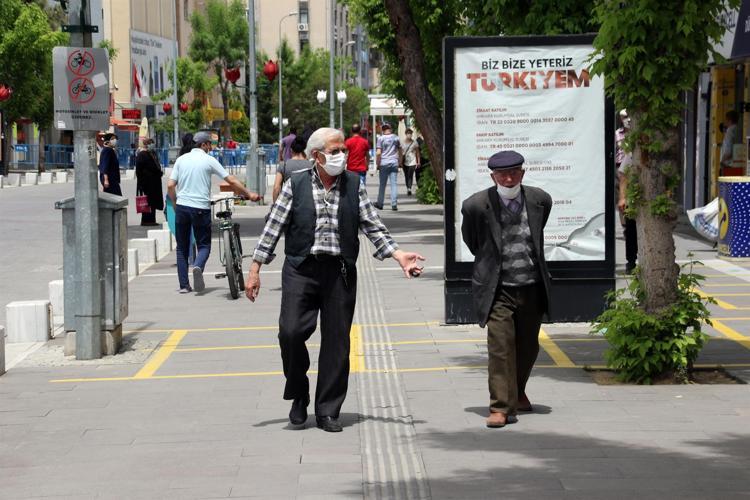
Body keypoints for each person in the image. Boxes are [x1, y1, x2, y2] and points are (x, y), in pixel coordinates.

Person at [245, 127, 425, 433]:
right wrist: (255, 269)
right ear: (316, 156)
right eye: (334, 151)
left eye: (343, 150)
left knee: (338, 344)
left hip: (339, 272)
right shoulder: (296, 183)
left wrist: (397, 255)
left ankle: (328, 409)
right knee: (289, 333)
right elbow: (273, 226)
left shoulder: (353, 184)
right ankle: (298, 393)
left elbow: (372, 223)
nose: (341, 156)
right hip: (301, 269)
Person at [460, 150, 552, 429]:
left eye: (514, 172)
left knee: (528, 347)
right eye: (502, 174)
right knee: (500, 347)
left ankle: (518, 391)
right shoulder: (476, 205)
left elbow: (537, 233)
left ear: (523, 173)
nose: (509, 178)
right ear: (493, 176)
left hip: (532, 285)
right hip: (498, 289)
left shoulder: (539, 200)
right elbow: (473, 241)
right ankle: (500, 407)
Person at [167, 131, 262, 294]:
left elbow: (170, 185)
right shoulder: (209, 160)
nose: (210, 147)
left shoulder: (181, 160)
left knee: (182, 247)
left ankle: (184, 285)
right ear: (203, 145)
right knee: (204, 245)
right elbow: (230, 180)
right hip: (200, 208)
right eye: (209, 144)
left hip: (182, 207)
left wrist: (176, 205)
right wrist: (249, 194)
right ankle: (198, 265)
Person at [616, 110, 637, 274]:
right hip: (633, 196)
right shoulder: (633, 153)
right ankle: (631, 261)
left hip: (649, 198)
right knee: (630, 230)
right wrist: (623, 197)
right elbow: (623, 175)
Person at [135, 138, 164, 226]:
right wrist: (141, 183)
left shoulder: (151, 153)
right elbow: (139, 170)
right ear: (146, 144)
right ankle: (147, 221)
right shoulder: (142, 154)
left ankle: (152, 220)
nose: (152, 145)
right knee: (147, 202)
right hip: (147, 183)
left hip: (154, 183)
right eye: (151, 143)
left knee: (153, 202)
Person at [272, 136, 309, 202]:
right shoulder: (311, 165)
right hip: (306, 204)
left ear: (291, 150)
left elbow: (276, 188)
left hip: (288, 205)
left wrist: (275, 204)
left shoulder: (283, 165)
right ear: (304, 150)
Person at [375, 122, 401, 210]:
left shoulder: (380, 139)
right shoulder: (396, 138)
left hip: (384, 163)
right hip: (394, 162)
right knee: (394, 184)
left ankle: (380, 203)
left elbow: (378, 153)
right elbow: (400, 150)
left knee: (382, 185)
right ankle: (394, 204)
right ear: (390, 129)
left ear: (383, 130)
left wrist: (377, 164)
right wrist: (400, 161)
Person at [400, 128, 420, 196]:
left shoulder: (415, 143)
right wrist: (399, 162)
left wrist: (418, 162)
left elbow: (417, 153)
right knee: (406, 175)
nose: (409, 135)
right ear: (406, 134)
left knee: (410, 175)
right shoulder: (402, 143)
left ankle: (409, 188)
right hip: (404, 161)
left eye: (410, 134)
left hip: (412, 161)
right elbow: (400, 153)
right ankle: (408, 187)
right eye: (408, 134)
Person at [720, 110, 738, 174]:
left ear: (729, 120)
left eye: (726, 120)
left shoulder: (729, 132)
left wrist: (722, 161)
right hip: (737, 164)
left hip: (728, 165)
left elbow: (728, 151)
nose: (725, 122)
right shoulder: (739, 129)